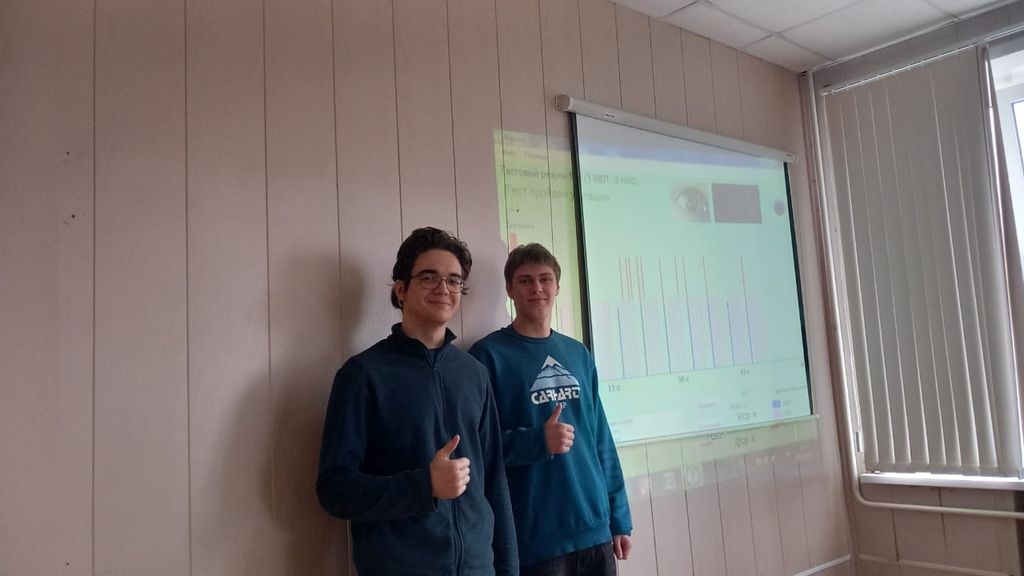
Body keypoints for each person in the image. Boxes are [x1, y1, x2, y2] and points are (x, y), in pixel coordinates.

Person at [317, 227, 518, 576]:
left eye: (454, 280)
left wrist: (508, 568)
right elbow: (334, 489)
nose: (443, 288)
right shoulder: (363, 375)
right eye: (429, 277)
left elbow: (495, 481)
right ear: (401, 290)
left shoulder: (474, 373)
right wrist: (424, 486)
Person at [469, 243, 632, 576]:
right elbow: (476, 449)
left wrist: (619, 518)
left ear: (557, 287)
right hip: (537, 539)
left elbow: (600, 439)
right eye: (525, 280)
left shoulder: (577, 353)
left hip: (595, 529)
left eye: (545, 279)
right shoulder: (487, 357)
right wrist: (536, 441)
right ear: (509, 289)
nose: (537, 288)